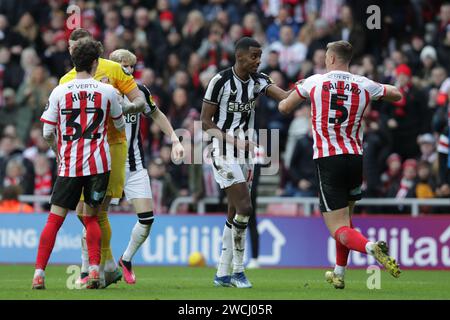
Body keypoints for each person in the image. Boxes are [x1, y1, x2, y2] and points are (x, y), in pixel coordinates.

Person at [278, 40, 403, 289]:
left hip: (328, 160)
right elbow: (397, 94)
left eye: (326, 55)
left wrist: (300, 89)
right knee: (346, 220)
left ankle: (370, 247)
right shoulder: (363, 84)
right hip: (356, 160)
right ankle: (339, 273)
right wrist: (379, 89)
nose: (325, 59)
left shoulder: (315, 82)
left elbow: (283, 107)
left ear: (332, 59)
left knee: (338, 228)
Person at [32, 39, 125, 289]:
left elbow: (47, 133)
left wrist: (59, 151)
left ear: (74, 62)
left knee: (54, 220)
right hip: (98, 164)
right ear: (95, 63)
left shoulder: (60, 90)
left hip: (70, 165)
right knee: (92, 218)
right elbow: (119, 125)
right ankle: (94, 271)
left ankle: (39, 274)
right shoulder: (107, 92)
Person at [59, 28, 146, 288]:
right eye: (70, 47)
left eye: (77, 47)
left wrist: (126, 107)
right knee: (82, 212)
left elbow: (139, 98)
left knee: (97, 211)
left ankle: (93, 269)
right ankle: (104, 266)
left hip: (112, 147)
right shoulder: (65, 80)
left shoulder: (113, 69)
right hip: (82, 151)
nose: (73, 51)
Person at [201, 37, 291, 288]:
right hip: (222, 150)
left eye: (260, 56)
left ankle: (221, 273)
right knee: (245, 208)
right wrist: (236, 142)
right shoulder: (219, 82)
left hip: (246, 154)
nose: (258, 60)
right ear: (239, 56)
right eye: (254, 56)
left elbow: (284, 100)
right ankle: (239, 270)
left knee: (234, 212)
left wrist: (306, 88)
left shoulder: (259, 80)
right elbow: (206, 122)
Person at [104, 49, 184, 284]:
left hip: (134, 164)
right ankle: (90, 269)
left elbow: (157, 114)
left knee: (147, 219)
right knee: (94, 218)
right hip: (106, 166)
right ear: (112, 66)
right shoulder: (100, 91)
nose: (129, 71)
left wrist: (175, 139)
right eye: (124, 66)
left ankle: (125, 259)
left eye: (131, 67)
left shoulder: (138, 92)